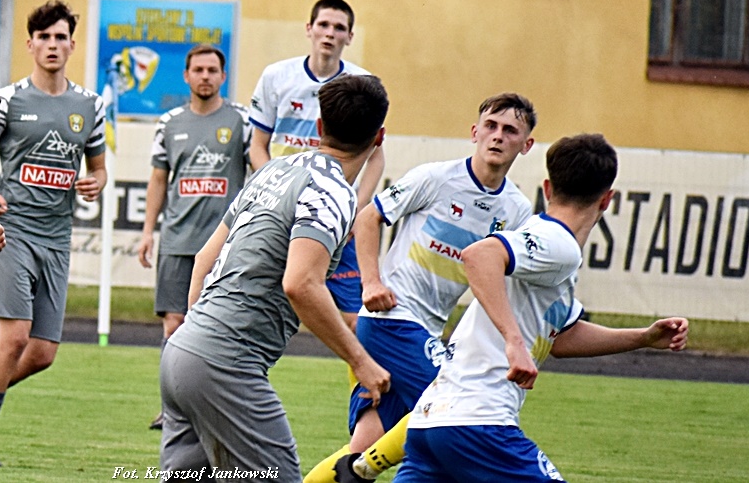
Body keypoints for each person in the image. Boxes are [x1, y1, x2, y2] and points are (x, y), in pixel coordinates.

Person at [335, 134, 690, 483]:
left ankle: (362, 466)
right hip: (478, 424)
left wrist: (643, 337)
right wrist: (514, 341)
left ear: (548, 189)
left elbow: (562, 338)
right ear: (607, 199)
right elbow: (479, 255)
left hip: (432, 425)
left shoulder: (542, 243)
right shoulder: (557, 244)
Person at [160, 74, 393, 482]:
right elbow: (300, 284)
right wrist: (361, 362)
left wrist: (198, 336)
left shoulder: (274, 170)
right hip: (225, 363)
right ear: (379, 137)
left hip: (182, 348)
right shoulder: (332, 191)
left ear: (319, 126)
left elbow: (203, 259)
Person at [304, 93, 537, 482]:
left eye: (510, 130)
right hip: (391, 320)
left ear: (526, 145)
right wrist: (371, 282)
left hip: (427, 331)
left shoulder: (517, 210)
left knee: (365, 446)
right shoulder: (436, 178)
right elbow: (367, 218)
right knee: (455, 405)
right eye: (491, 126)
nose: (498, 136)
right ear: (475, 132)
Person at [0, 0, 107, 468]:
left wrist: (97, 181)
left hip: (57, 238)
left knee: (42, 353)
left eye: (60, 37)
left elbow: (98, 168)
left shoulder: (90, 106)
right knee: (14, 339)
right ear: (30, 44)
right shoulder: (9, 100)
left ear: (72, 45)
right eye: (44, 37)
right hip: (10, 233)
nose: (52, 45)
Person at [248, 0, 385, 330]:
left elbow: (377, 155)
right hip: (281, 205)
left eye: (339, 28)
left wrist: (356, 209)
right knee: (260, 304)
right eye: (323, 25)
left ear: (349, 36)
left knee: (355, 317)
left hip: (333, 209)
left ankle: (365, 367)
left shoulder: (363, 84)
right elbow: (257, 146)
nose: (330, 33)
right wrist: (273, 193)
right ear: (309, 29)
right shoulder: (276, 76)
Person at [136, 44, 251, 430]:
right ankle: (172, 409)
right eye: (198, 70)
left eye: (212, 70)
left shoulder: (241, 121)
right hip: (177, 242)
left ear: (223, 76)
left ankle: (215, 406)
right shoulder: (169, 123)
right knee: (174, 324)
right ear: (186, 76)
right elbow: (158, 179)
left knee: (219, 327)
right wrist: (148, 232)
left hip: (223, 246)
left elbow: (259, 168)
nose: (205, 76)